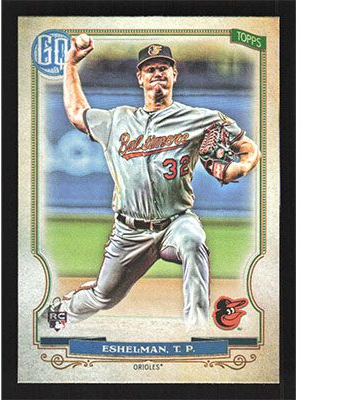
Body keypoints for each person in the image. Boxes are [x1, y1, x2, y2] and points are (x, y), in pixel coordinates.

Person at [44, 37, 261, 331]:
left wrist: (239, 168)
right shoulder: (117, 120)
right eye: (150, 69)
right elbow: (76, 113)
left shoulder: (202, 119)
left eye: (163, 68)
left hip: (176, 222)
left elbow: (249, 149)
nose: (157, 73)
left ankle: (198, 330)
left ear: (174, 74)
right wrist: (70, 64)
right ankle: (58, 314)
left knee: (193, 241)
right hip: (129, 231)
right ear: (140, 78)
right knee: (103, 297)